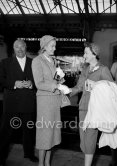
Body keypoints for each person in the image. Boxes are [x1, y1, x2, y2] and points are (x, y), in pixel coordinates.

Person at [70, 42, 113, 166]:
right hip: (83, 108)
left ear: (94, 54)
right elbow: (79, 87)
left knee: (90, 139)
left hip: (94, 110)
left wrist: (97, 86)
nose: (84, 55)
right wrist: (66, 90)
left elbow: (111, 88)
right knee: (83, 140)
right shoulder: (85, 69)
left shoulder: (103, 69)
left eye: (86, 53)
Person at [32, 35, 69, 166]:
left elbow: (55, 80)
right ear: (44, 46)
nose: (55, 48)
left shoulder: (53, 61)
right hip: (45, 102)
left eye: (55, 45)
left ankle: (47, 162)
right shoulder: (37, 61)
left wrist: (61, 78)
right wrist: (56, 86)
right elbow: (39, 84)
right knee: (45, 133)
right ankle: (41, 163)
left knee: (52, 133)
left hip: (54, 101)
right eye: (52, 46)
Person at [0, 39, 38, 165]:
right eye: (17, 47)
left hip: (28, 102)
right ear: (13, 48)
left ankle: (29, 154)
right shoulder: (5, 63)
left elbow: (38, 81)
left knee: (29, 130)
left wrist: (32, 83)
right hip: (12, 103)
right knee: (6, 131)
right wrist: (14, 84)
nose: (20, 49)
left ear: (26, 47)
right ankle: (1, 157)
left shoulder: (34, 63)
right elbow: (1, 81)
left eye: (22, 47)